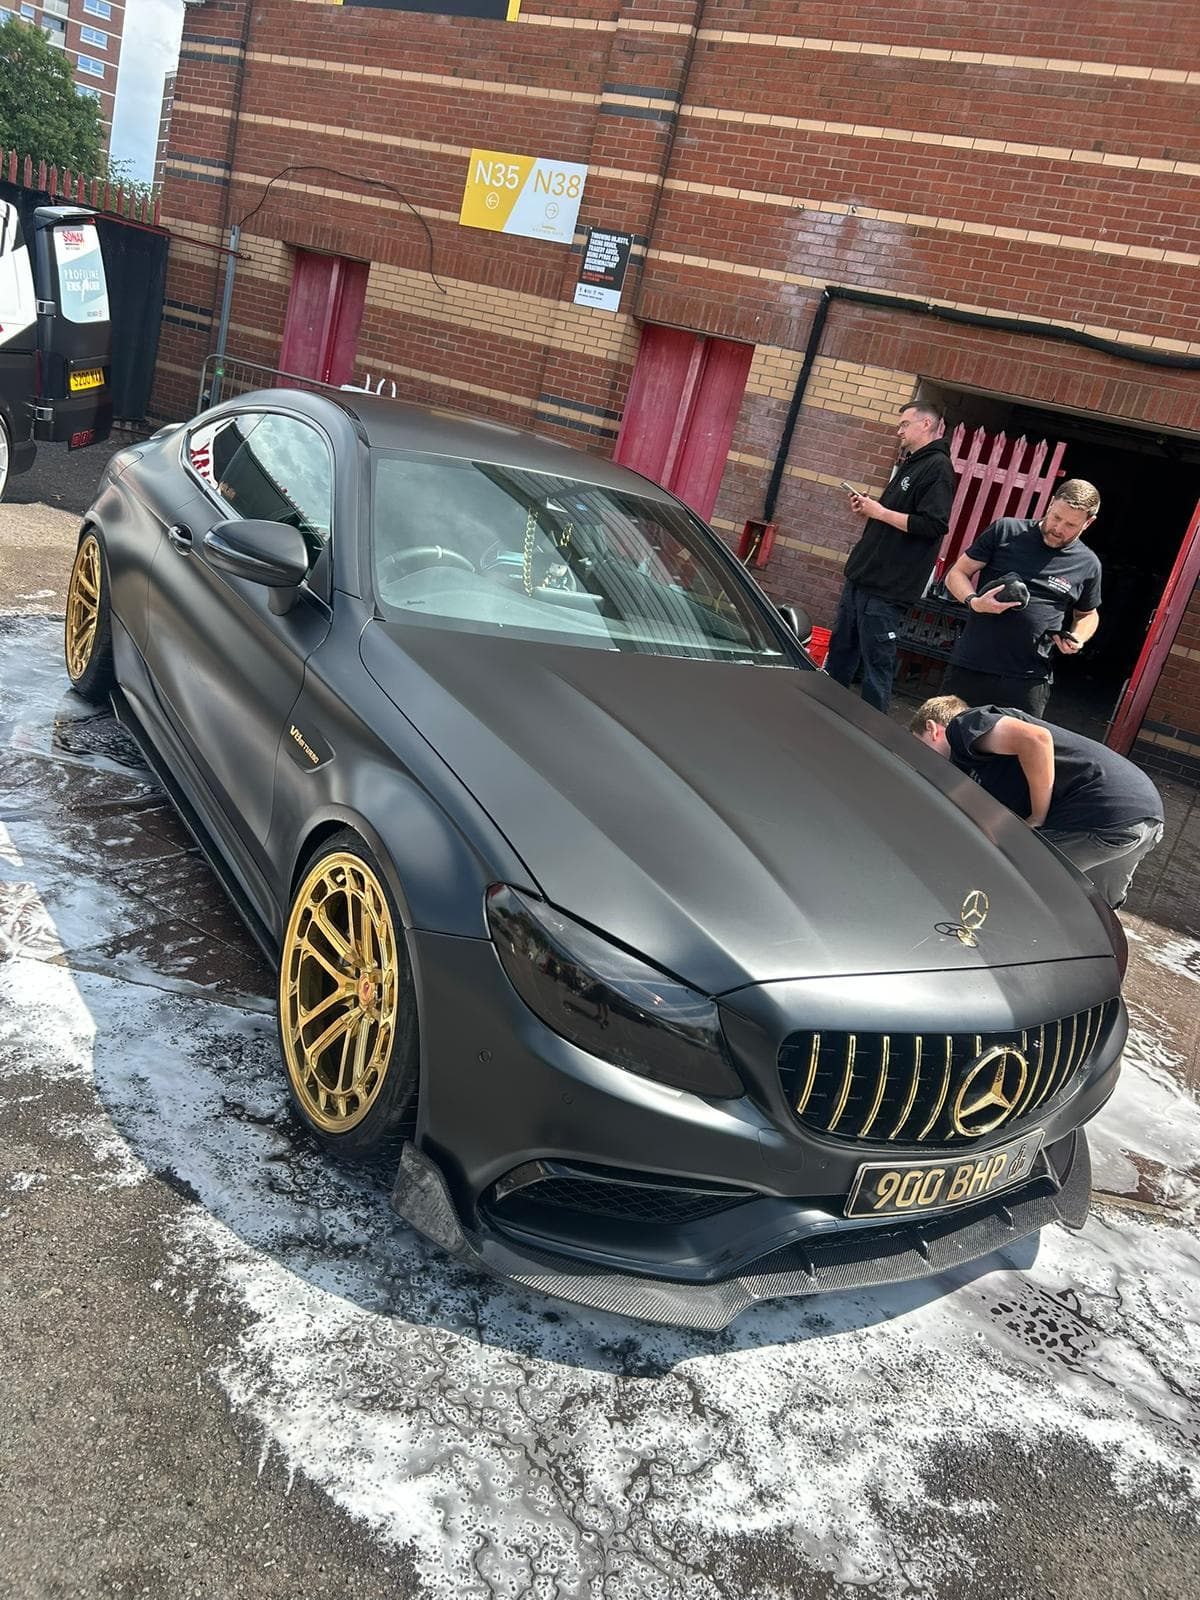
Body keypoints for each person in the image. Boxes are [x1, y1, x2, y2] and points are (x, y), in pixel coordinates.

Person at [911, 694, 1164, 909]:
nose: (921, 761)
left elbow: (1036, 739)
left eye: (917, 745)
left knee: (1014, 887)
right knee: (1096, 910)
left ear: (933, 729)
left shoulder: (963, 726)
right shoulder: (975, 765)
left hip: (1099, 812)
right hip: (1144, 813)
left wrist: (1037, 817)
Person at [824, 401, 956, 713]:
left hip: (886, 590)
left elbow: (934, 523)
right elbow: (893, 518)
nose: (899, 431)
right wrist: (870, 510)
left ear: (925, 425)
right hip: (862, 579)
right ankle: (825, 712)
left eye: (904, 424)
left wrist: (880, 512)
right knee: (841, 653)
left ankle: (872, 733)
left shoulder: (937, 467)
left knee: (876, 667)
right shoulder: (912, 463)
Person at [942, 480, 1102, 718]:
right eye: (1056, 517)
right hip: (972, 664)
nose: (1058, 528)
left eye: (1070, 525)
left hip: (1028, 679)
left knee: (1010, 754)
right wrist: (974, 601)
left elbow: (1088, 614)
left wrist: (1078, 637)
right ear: (1049, 505)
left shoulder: (1088, 563)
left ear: (1088, 523)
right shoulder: (1006, 531)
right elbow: (956, 573)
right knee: (941, 740)